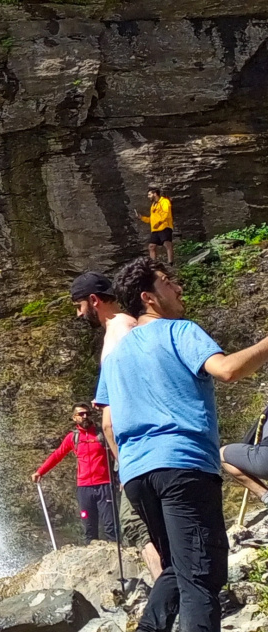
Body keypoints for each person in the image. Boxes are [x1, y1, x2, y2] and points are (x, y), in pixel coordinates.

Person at [97, 257, 268, 632]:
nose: (177, 287)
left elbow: (108, 420)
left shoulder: (116, 357)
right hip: (183, 466)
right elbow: (228, 370)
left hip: (138, 476)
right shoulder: (179, 331)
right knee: (201, 578)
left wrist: (127, 465)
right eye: (167, 282)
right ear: (149, 297)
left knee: (176, 567)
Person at [70, 271, 162, 578]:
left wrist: (123, 463)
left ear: (94, 300)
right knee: (144, 524)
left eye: (79, 304)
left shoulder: (121, 328)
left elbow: (117, 407)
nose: (78, 312)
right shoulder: (122, 327)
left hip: (140, 448)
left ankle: (171, 593)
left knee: (135, 524)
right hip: (143, 446)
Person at [31, 403, 117, 542]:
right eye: (81, 414)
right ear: (74, 418)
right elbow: (57, 455)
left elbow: (117, 453)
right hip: (84, 488)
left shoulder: (102, 434)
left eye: (87, 414)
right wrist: (40, 472)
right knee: (89, 528)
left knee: (110, 526)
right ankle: (91, 558)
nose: (85, 416)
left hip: (105, 485)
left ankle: (117, 557)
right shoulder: (73, 437)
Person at [137, 188, 175, 265]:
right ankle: (153, 264)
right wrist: (142, 218)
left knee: (167, 244)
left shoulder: (164, 201)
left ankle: (170, 262)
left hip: (164, 226)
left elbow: (166, 213)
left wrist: (160, 222)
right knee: (151, 246)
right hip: (155, 229)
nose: (148, 196)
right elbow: (152, 219)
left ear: (155, 194)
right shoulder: (153, 205)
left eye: (149, 194)